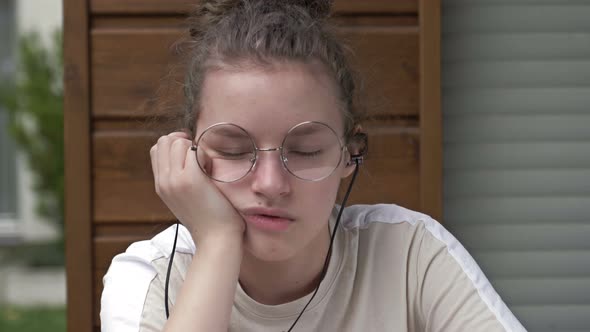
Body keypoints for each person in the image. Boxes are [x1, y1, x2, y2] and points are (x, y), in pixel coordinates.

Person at [100, 0, 526, 331]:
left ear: (348, 153)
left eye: (304, 151)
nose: (270, 184)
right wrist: (217, 243)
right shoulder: (151, 278)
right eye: (233, 149)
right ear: (188, 155)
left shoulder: (411, 254)